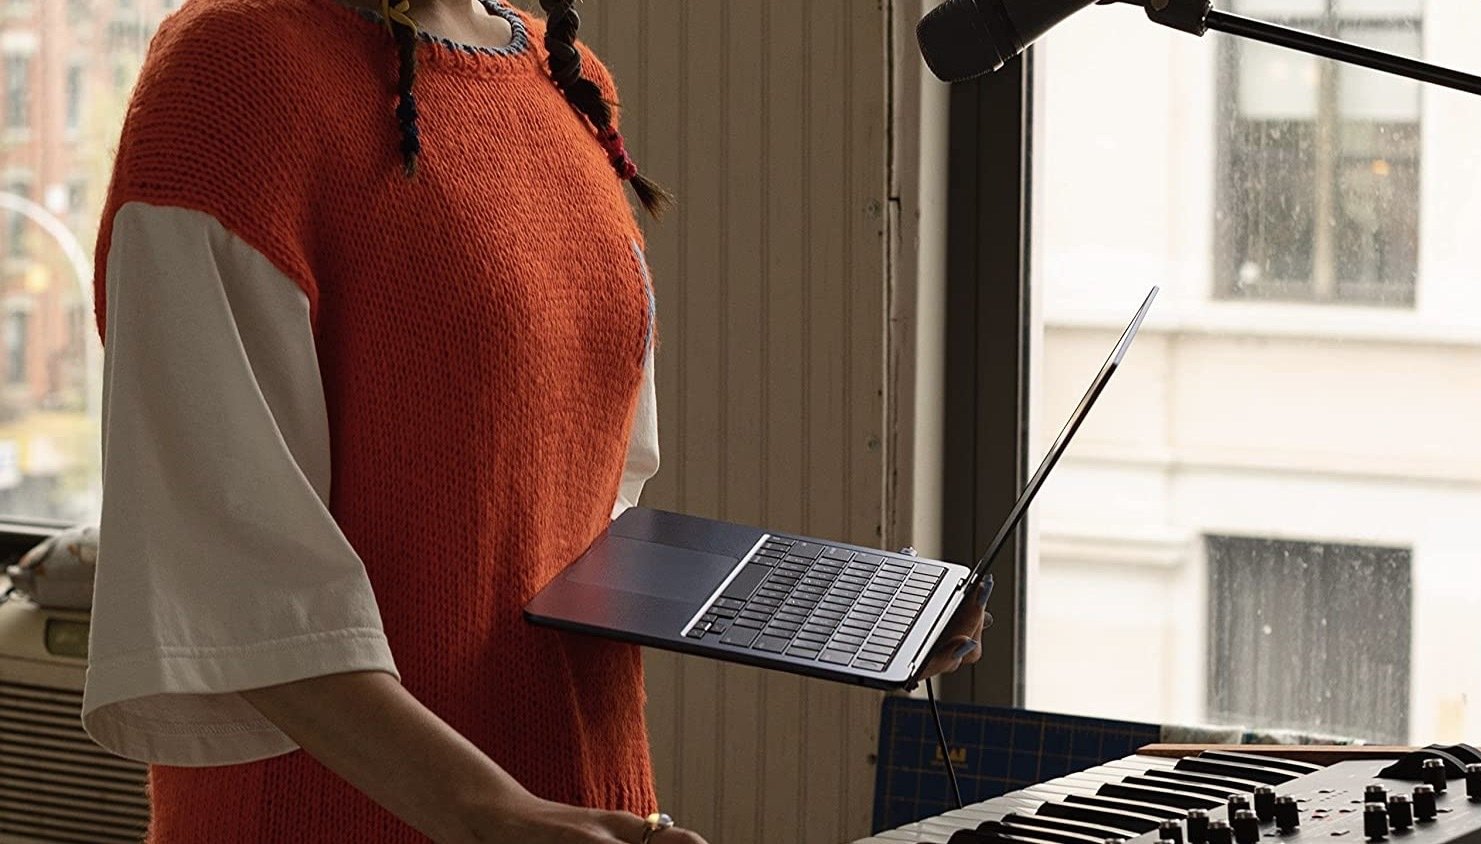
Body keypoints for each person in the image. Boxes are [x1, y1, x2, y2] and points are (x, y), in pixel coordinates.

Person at [79, 0, 992, 841]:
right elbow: (219, 565)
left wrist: (836, 609)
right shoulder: (233, 73)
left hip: (578, 797)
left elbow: (582, 499)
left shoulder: (563, 76)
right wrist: (489, 813)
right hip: (355, 815)